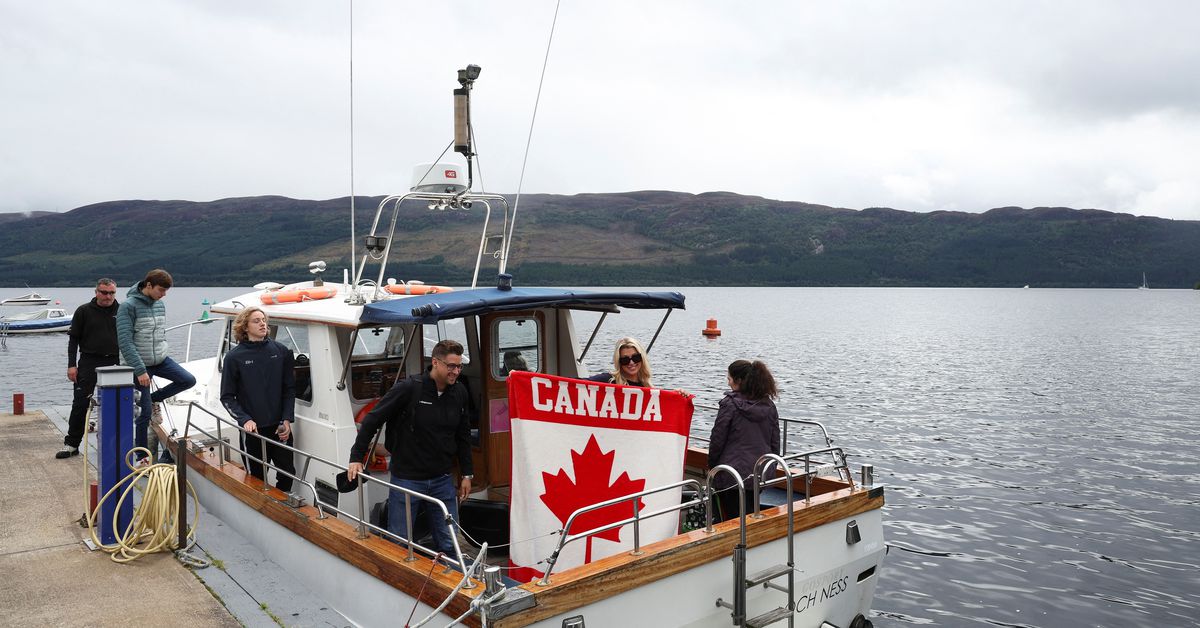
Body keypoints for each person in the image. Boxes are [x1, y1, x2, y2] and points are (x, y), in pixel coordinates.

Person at [347, 339, 473, 555]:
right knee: (398, 541)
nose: (456, 371)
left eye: (459, 366)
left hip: (442, 479)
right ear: (435, 362)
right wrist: (356, 457)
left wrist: (467, 475)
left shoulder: (459, 393)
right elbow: (372, 420)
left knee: (449, 541)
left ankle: (453, 580)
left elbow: (463, 436)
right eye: (451, 366)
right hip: (408, 478)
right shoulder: (409, 389)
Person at [116, 269, 196, 464]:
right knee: (144, 414)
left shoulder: (159, 305)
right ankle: (142, 456)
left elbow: (159, 334)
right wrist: (140, 370)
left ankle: (152, 399)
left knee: (188, 380)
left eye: (166, 291)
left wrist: (162, 351)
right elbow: (125, 342)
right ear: (148, 285)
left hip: (160, 359)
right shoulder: (128, 307)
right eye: (161, 290)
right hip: (139, 363)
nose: (164, 294)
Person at [220, 307, 296, 492]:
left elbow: (289, 389)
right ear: (245, 327)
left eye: (264, 320)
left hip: (279, 427)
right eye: (256, 321)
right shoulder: (234, 357)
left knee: (288, 473)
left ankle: (282, 508)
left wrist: (286, 419)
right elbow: (227, 397)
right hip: (253, 431)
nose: (263, 324)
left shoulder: (281, 351)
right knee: (257, 477)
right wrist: (244, 419)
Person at [708, 359, 780, 522]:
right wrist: (770, 467)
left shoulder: (730, 404)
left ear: (738, 381)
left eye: (729, 379)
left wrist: (712, 467)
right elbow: (775, 442)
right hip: (758, 472)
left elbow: (717, 439)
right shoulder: (769, 405)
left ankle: (737, 545)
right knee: (749, 510)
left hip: (731, 474)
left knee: (731, 518)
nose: (728, 382)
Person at [58, 279, 120, 459]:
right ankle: (71, 444)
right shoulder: (83, 311)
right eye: (104, 292)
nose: (108, 296)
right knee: (80, 403)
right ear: (96, 292)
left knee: (114, 404)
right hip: (89, 362)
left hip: (116, 362)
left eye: (111, 293)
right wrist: (71, 365)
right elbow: (73, 340)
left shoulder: (123, 310)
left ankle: (111, 443)